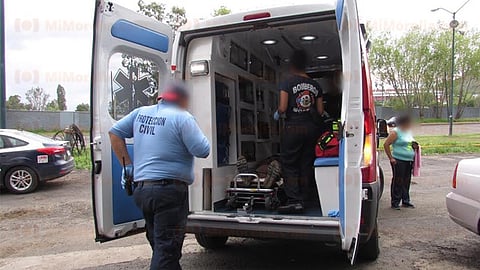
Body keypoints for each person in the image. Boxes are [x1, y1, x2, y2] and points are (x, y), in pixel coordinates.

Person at [109, 81, 210, 270]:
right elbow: (203, 150)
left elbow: (115, 133)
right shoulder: (182, 117)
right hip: (169, 193)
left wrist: (128, 166)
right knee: (167, 249)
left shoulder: (140, 113)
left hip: (143, 191)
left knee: (160, 245)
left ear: (160, 98)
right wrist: (193, 125)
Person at [275, 50, 324, 214]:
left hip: (293, 127)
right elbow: (320, 111)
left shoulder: (287, 83)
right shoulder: (316, 85)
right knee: (306, 163)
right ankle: (305, 198)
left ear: (292, 65)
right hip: (311, 129)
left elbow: (282, 108)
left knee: (289, 163)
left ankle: (294, 200)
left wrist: (277, 113)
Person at [383, 115, 418, 210]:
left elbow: (409, 142)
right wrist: (391, 158)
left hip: (408, 160)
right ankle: (395, 202)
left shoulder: (408, 131)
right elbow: (386, 144)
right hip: (398, 159)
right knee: (398, 180)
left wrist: (414, 146)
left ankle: (405, 200)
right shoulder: (396, 132)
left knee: (406, 180)